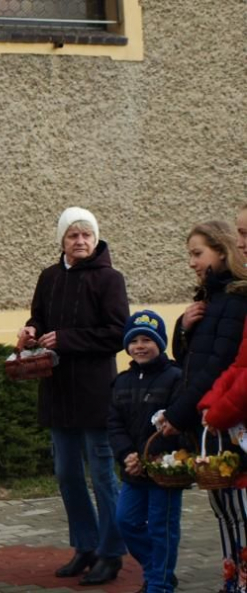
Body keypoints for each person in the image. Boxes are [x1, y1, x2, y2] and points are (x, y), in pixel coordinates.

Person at [19, 206, 128, 585]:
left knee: (102, 477)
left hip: (96, 393)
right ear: (62, 241)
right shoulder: (48, 277)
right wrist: (32, 331)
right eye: (72, 235)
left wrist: (66, 339)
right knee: (67, 475)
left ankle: (112, 553)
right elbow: (39, 318)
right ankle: (85, 546)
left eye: (86, 235)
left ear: (95, 239)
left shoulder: (110, 279)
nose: (80, 241)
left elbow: (117, 335)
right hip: (57, 391)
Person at [158, 219, 247, 593]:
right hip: (208, 418)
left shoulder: (236, 299)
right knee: (224, 510)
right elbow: (188, 359)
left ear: (222, 251)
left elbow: (219, 364)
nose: (192, 262)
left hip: (227, 420)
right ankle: (232, 578)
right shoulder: (211, 300)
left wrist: (179, 413)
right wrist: (184, 326)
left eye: (198, 253)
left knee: (239, 510)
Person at [109, 310, 184, 593]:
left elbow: (179, 424)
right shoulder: (121, 381)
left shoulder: (176, 378)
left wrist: (153, 458)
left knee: (161, 529)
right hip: (133, 471)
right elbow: (114, 425)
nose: (140, 345)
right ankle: (158, 569)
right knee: (125, 522)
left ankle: (159, 585)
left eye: (147, 340)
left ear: (160, 343)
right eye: (134, 340)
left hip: (164, 471)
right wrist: (126, 455)